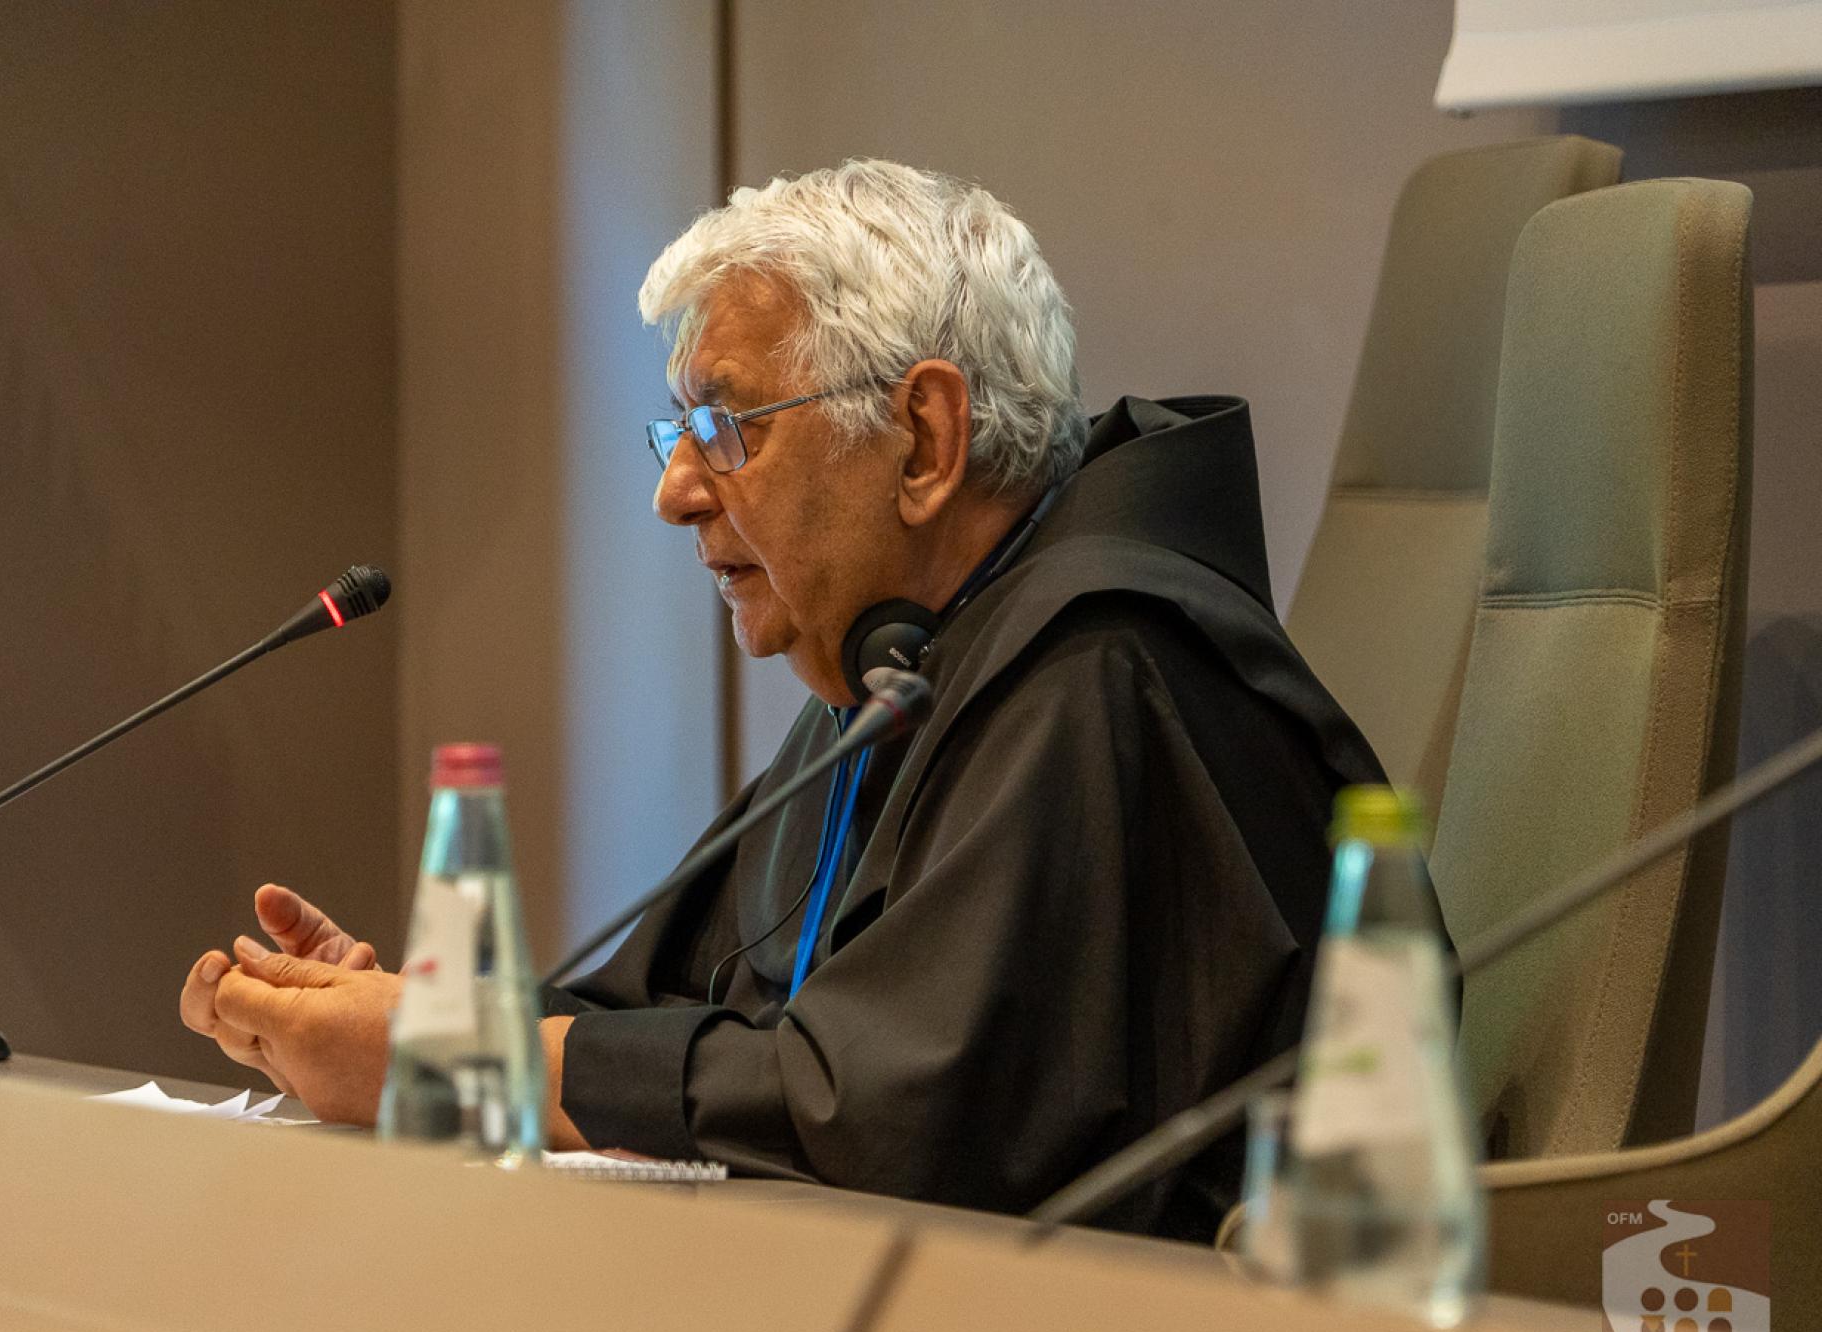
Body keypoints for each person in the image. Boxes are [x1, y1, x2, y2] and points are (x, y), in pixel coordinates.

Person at [180, 159, 1382, 1240]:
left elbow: (884, 1114)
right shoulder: (893, 672)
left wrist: (455, 1060)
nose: (677, 493)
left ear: (924, 439)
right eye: (677, 432)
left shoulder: (1104, 670)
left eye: (725, 426)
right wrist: (394, 1016)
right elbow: (659, 1011)